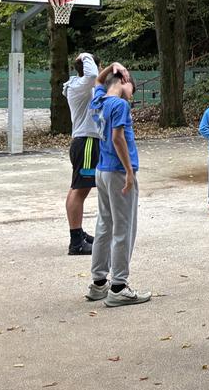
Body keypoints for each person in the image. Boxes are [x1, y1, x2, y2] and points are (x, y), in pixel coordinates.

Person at [85, 62, 151, 307]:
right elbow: (117, 138)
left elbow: (98, 82)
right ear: (124, 82)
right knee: (124, 227)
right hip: (118, 171)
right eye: (132, 87)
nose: (132, 94)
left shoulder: (99, 101)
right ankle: (119, 287)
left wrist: (112, 66)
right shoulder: (120, 105)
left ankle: (98, 283)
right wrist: (129, 171)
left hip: (102, 170)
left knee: (105, 225)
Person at [62, 52, 100, 255]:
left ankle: (78, 233)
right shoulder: (81, 86)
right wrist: (86, 55)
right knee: (80, 190)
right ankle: (76, 242)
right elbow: (93, 75)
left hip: (86, 142)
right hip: (86, 143)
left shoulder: (82, 86)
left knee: (77, 188)